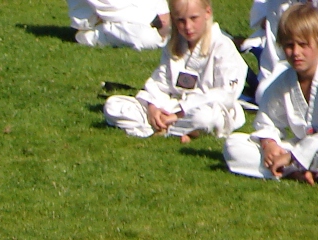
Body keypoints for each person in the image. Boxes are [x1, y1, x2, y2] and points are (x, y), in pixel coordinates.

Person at [103, 0, 247, 141]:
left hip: (204, 108)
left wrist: (180, 113)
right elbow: (159, 83)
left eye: (193, 18)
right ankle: (177, 129)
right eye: (181, 21)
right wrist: (153, 108)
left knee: (205, 118)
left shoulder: (222, 46)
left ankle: (167, 129)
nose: (188, 27)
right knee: (113, 106)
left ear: (207, 13)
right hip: (172, 105)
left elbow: (226, 94)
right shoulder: (174, 45)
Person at [223, 2, 318, 179]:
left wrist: (292, 156)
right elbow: (267, 121)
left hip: (312, 149)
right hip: (300, 146)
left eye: (303, 44)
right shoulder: (283, 81)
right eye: (289, 45)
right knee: (234, 145)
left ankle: (292, 168)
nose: (295, 52)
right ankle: (295, 171)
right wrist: (270, 144)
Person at [240, 0, 314, 103]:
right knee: (264, 93)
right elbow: (272, 56)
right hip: (285, 67)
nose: (296, 51)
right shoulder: (276, 4)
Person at [69, 0, 170, 50]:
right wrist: (154, 19)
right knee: (147, 38)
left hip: (139, 14)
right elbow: (110, 6)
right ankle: (90, 36)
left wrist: (163, 12)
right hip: (99, 19)